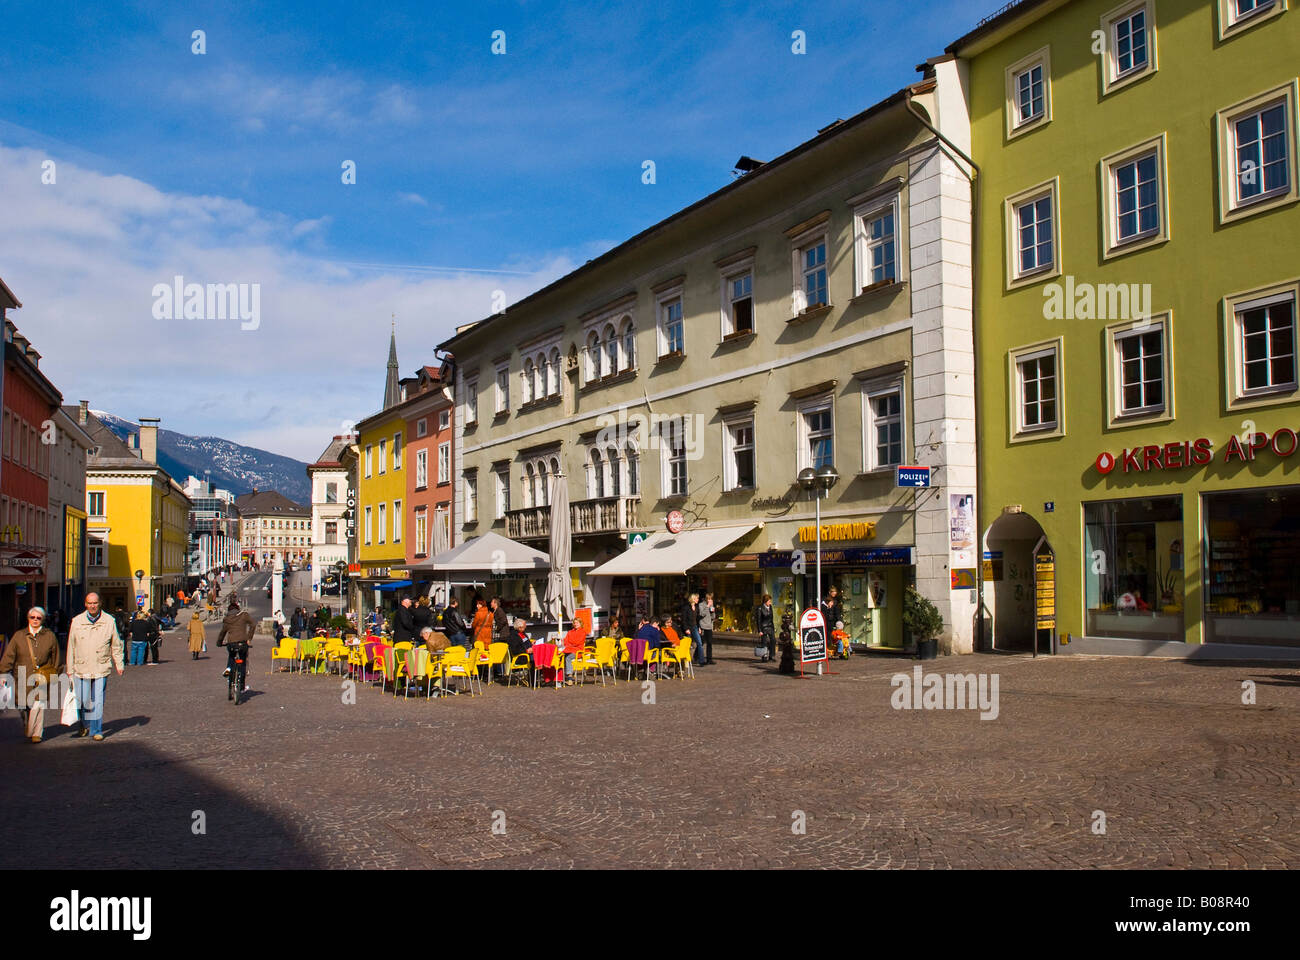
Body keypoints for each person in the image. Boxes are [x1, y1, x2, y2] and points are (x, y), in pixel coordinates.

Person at [65, 593, 124, 741]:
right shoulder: (77, 621)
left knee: (97, 701)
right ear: (85, 604)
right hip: (81, 667)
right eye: (89, 603)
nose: (92, 606)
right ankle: (84, 724)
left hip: (100, 666)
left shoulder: (109, 621)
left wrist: (119, 663)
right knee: (84, 701)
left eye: (95, 603)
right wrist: (69, 669)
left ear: (100, 604)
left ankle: (97, 730)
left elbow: (116, 644)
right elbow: (71, 646)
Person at [0, 606, 61, 743]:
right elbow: (9, 655)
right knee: (23, 706)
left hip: (42, 677)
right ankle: (28, 724)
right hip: (21, 676)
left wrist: (54, 673)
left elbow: (56, 657)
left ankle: (36, 733)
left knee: (38, 704)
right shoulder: (19, 636)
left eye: (38, 618)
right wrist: (3, 673)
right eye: (32, 617)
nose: (35, 620)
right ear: (28, 618)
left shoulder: (49, 636)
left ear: (43, 619)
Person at [217, 598, 256, 693]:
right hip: (243, 643)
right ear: (238, 609)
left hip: (231, 643)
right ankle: (241, 686)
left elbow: (223, 632)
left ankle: (229, 669)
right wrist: (249, 638)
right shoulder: (244, 615)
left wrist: (219, 642)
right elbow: (253, 624)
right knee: (242, 663)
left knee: (231, 656)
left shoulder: (227, 619)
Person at [680, 592, 702, 667]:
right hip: (688, 627)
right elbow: (683, 619)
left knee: (699, 643)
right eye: (697, 598)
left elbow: (697, 618)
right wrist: (686, 628)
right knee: (688, 645)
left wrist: (699, 627)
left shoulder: (697, 607)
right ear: (693, 599)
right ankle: (687, 661)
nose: (698, 600)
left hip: (695, 627)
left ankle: (701, 660)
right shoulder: (686, 607)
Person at [755, 594, 776, 662]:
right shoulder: (760, 608)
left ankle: (771, 656)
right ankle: (764, 656)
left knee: (773, 640)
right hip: (763, 627)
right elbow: (758, 620)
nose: (770, 603)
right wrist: (759, 630)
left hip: (770, 626)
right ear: (765, 601)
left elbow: (771, 618)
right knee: (764, 642)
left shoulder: (770, 607)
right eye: (769, 601)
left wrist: (773, 627)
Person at [697, 592, 716, 665]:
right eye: (708, 598)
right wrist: (707, 606)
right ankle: (696, 656)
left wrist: (712, 610)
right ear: (705, 599)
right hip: (703, 625)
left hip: (709, 626)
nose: (709, 600)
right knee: (701, 642)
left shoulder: (711, 605)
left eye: (710, 599)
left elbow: (713, 617)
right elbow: (702, 614)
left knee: (710, 643)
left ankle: (709, 659)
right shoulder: (701, 605)